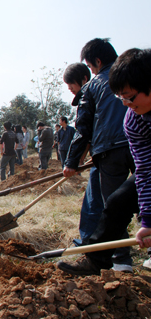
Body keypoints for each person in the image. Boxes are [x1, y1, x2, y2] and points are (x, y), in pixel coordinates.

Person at [57, 48, 151, 275]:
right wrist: (147, 221)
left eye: (129, 96)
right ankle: (96, 261)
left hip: (110, 151)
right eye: (121, 98)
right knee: (117, 201)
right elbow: (146, 171)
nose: (126, 104)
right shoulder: (133, 121)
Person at [63, 62, 102, 245]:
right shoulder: (106, 90)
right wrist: (81, 157)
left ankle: (89, 245)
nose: (70, 89)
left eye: (71, 85)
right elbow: (90, 132)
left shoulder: (90, 93)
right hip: (104, 151)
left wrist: (71, 163)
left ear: (84, 79)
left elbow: (83, 130)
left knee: (93, 203)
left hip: (106, 155)